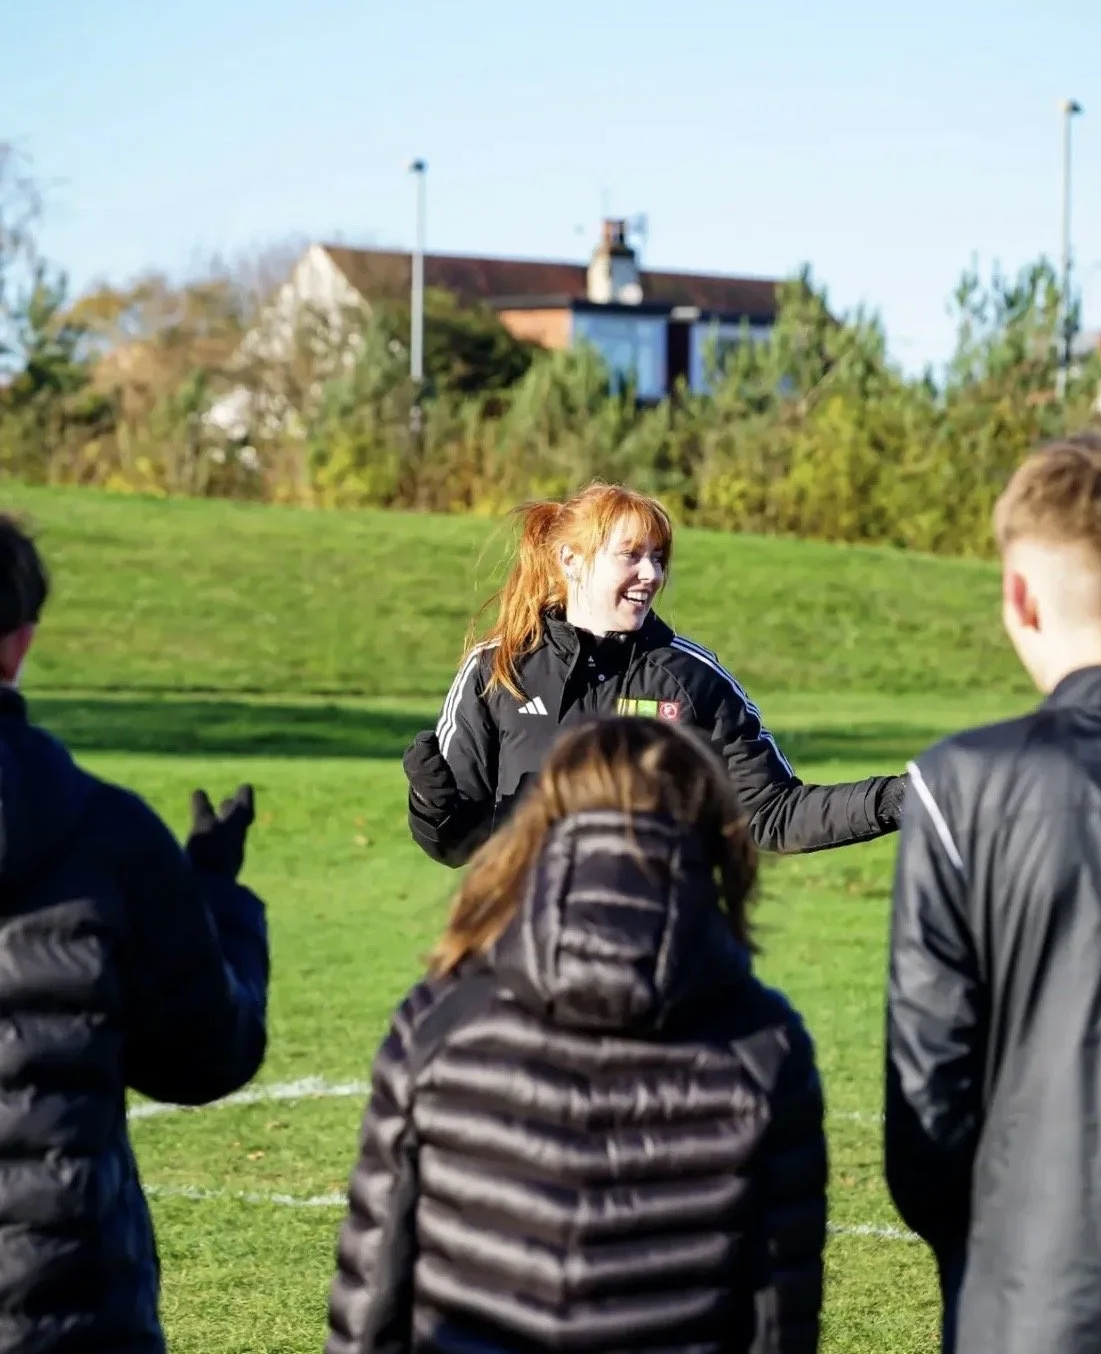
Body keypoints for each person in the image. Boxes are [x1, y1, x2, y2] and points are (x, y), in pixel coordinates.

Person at [329, 713, 827, 1354]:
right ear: (712, 828)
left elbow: (374, 1287)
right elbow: (777, 1319)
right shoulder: (765, 1046)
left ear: (541, 820)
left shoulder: (439, 1021)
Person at [884, 434, 1101, 1354]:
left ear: (1017, 597)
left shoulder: (958, 787)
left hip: (1025, 1302)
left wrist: (996, 1256)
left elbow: (928, 1102)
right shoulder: (958, 791)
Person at [0, 514, 270, 1354]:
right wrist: (217, 897)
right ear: (19, 643)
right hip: (69, 1305)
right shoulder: (109, 836)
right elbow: (205, 1054)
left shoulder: (112, 836)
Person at [404, 481, 906, 866]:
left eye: (658, 559)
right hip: (523, 953)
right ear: (571, 560)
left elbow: (774, 815)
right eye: (632, 556)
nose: (652, 574)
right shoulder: (497, 670)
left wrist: (896, 800)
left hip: (650, 952)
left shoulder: (692, 679)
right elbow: (455, 844)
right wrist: (434, 803)